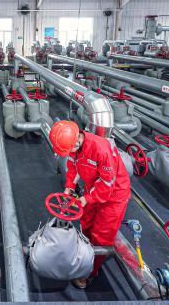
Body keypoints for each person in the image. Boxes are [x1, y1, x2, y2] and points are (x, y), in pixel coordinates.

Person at [49, 120, 131, 289]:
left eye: (69, 150)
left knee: (101, 235)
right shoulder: (75, 146)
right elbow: (72, 167)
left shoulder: (100, 148)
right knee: (86, 223)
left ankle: (89, 271)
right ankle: (85, 252)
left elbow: (107, 183)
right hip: (92, 188)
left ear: (76, 140)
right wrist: (68, 189)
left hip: (114, 195)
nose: (69, 153)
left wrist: (86, 199)